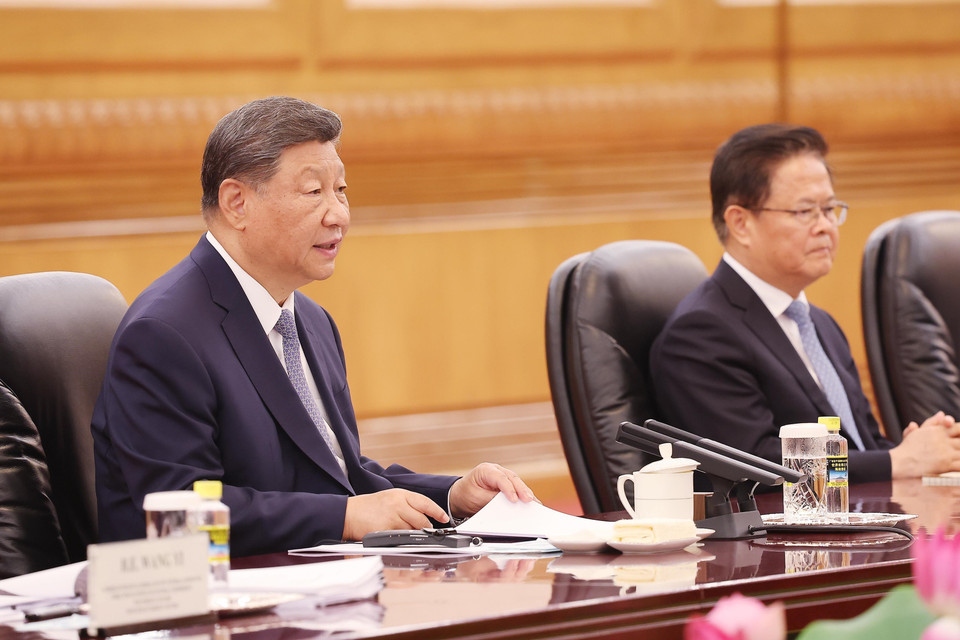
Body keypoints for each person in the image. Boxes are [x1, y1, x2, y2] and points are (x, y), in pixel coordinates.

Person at [91, 96, 536, 556]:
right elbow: (181, 513)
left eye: (340, 190)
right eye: (313, 192)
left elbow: (339, 472)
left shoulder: (311, 321)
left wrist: (452, 495)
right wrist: (345, 517)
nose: (338, 214)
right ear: (237, 203)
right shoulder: (164, 334)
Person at [650, 123, 960, 484]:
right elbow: (755, 466)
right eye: (805, 211)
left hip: (858, 512)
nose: (826, 226)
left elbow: (861, 446)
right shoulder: (700, 333)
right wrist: (894, 462)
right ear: (741, 223)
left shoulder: (819, 323)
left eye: (829, 209)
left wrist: (916, 452)